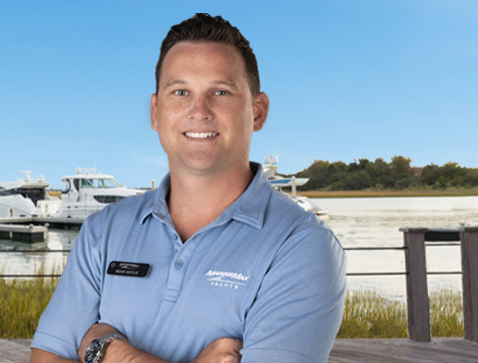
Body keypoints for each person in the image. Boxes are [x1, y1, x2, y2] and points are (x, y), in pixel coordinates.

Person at [30, 13, 346, 363]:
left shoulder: (302, 247)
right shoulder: (102, 231)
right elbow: (48, 358)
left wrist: (108, 352)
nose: (199, 110)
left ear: (257, 112)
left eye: (220, 92)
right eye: (180, 92)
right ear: (155, 111)